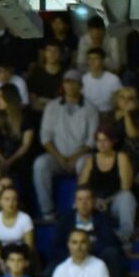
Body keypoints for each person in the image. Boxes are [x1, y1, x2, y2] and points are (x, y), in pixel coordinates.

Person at [34, 70, 98, 220]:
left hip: (80, 155)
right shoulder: (52, 106)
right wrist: (60, 157)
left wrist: (74, 158)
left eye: (73, 82)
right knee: (40, 164)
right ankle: (47, 211)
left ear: (80, 85)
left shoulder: (91, 109)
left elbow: (91, 141)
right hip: (57, 156)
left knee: (87, 162)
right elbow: (45, 137)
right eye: (66, 81)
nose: (69, 85)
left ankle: (78, 209)